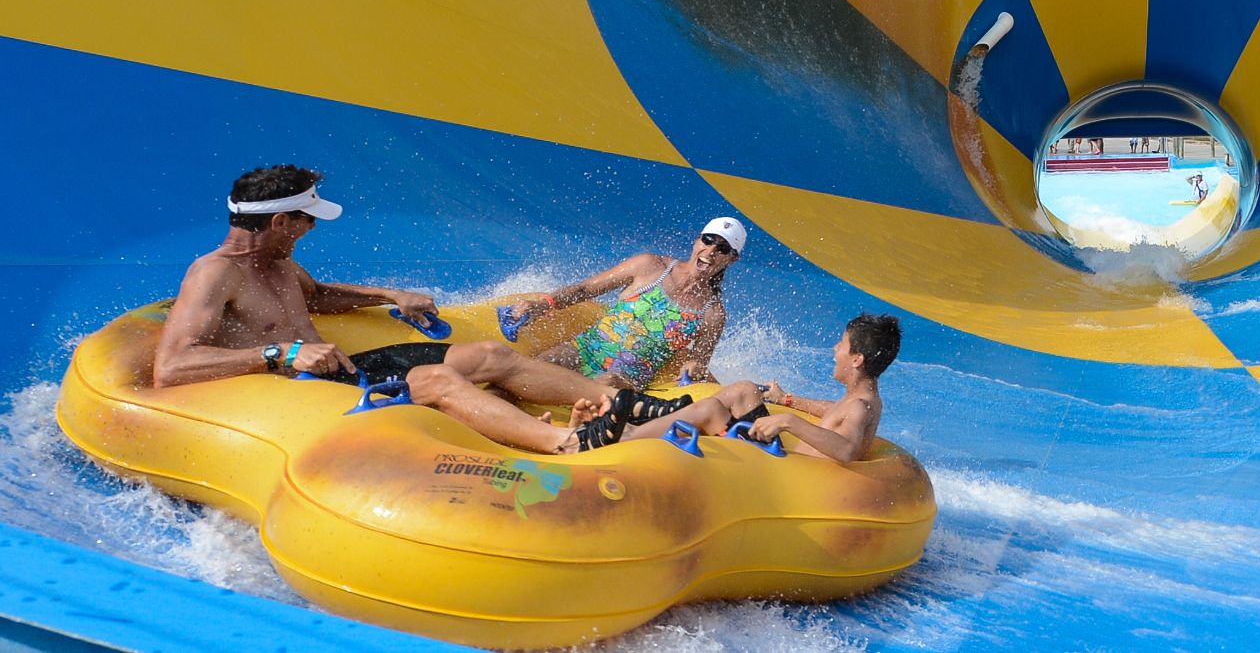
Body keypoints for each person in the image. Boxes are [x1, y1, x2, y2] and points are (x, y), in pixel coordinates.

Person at [151, 165, 678, 454]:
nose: (313, 229)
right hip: (297, 392)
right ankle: (564, 441)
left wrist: (390, 294)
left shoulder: (281, 263)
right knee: (437, 381)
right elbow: (171, 368)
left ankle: (625, 404)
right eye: (307, 220)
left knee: (489, 355)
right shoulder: (215, 273)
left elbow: (316, 299)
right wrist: (278, 352)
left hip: (341, 370)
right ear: (281, 222)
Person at [622, 313, 900, 464]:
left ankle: (632, 434)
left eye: (842, 344)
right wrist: (786, 400)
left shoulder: (859, 407)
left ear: (856, 359)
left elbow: (847, 450)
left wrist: (788, 421)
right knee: (744, 389)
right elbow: (833, 411)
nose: (835, 349)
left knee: (711, 409)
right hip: (777, 457)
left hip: (779, 471)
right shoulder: (861, 399)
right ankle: (654, 417)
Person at [504, 217, 744, 391]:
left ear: (732, 259)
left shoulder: (712, 314)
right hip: (585, 350)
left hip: (626, 378)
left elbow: (698, 362)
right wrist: (542, 305)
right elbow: (585, 289)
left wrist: (696, 369)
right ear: (697, 240)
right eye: (708, 240)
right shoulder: (650, 266)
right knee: (532, 368)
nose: (710, 251)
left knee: (604, 385)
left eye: (722, 248)